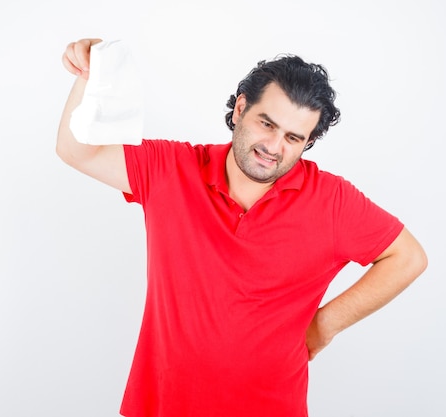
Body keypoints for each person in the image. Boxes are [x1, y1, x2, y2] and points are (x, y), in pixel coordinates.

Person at [57, 38, 427, 417]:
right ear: (240, 108)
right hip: (163, 405)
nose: (273, 146)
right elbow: (77, 151)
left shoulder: (332, 201)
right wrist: (89, 76)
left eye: (293, 138)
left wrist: (325, 323)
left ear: (308, 143)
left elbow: (408, 257)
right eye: (267, 124)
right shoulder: (171, 168)